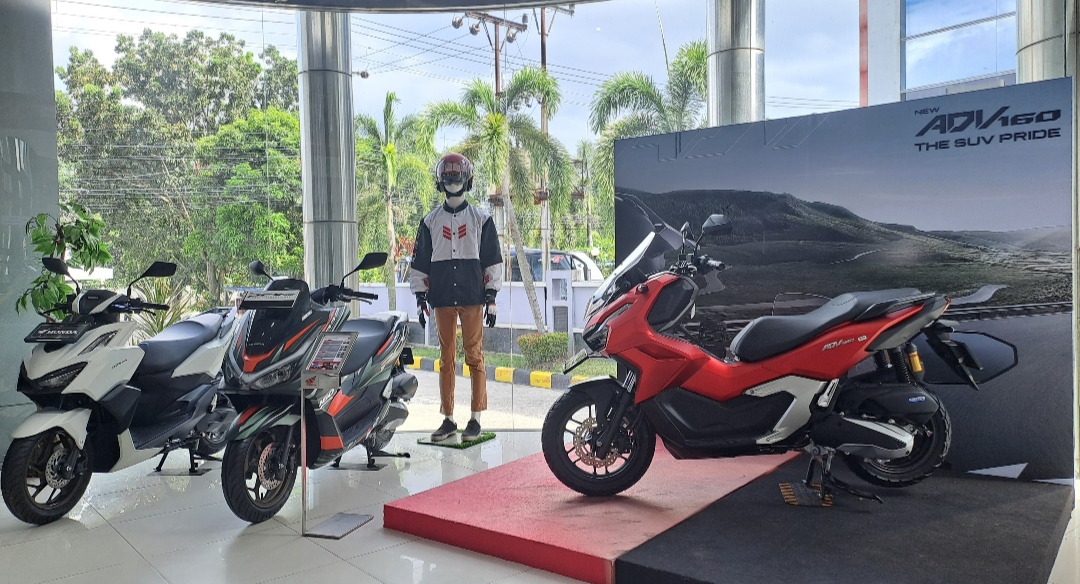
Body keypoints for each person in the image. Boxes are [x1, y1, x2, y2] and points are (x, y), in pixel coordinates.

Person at [410, 153, 502, 442]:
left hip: (473, 296)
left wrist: (491, 297)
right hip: (442, 298)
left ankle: (476, 418)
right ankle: (448, 418)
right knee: (446, 358)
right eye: (448, 177)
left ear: (467, 180)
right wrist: (420, 298)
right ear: (441, 181)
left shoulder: (481, 219)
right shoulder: (430, 222)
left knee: (475, 356)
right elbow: (420, 263)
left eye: (457, 176)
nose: (453, 182)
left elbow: (491, 260)